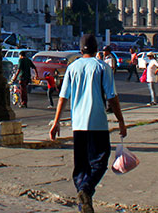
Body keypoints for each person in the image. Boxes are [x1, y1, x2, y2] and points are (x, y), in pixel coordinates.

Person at [50, 34, 127, 213]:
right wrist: (121, 121)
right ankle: (86, 191)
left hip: (78, 124)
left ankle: (84, 203)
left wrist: (56, 122)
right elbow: (112, 98)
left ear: (80, 49)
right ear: (96, 49)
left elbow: (63, 97)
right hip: (97, 122)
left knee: (81, 166)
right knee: (100, 161)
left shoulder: (72, 68)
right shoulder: (102, 68)